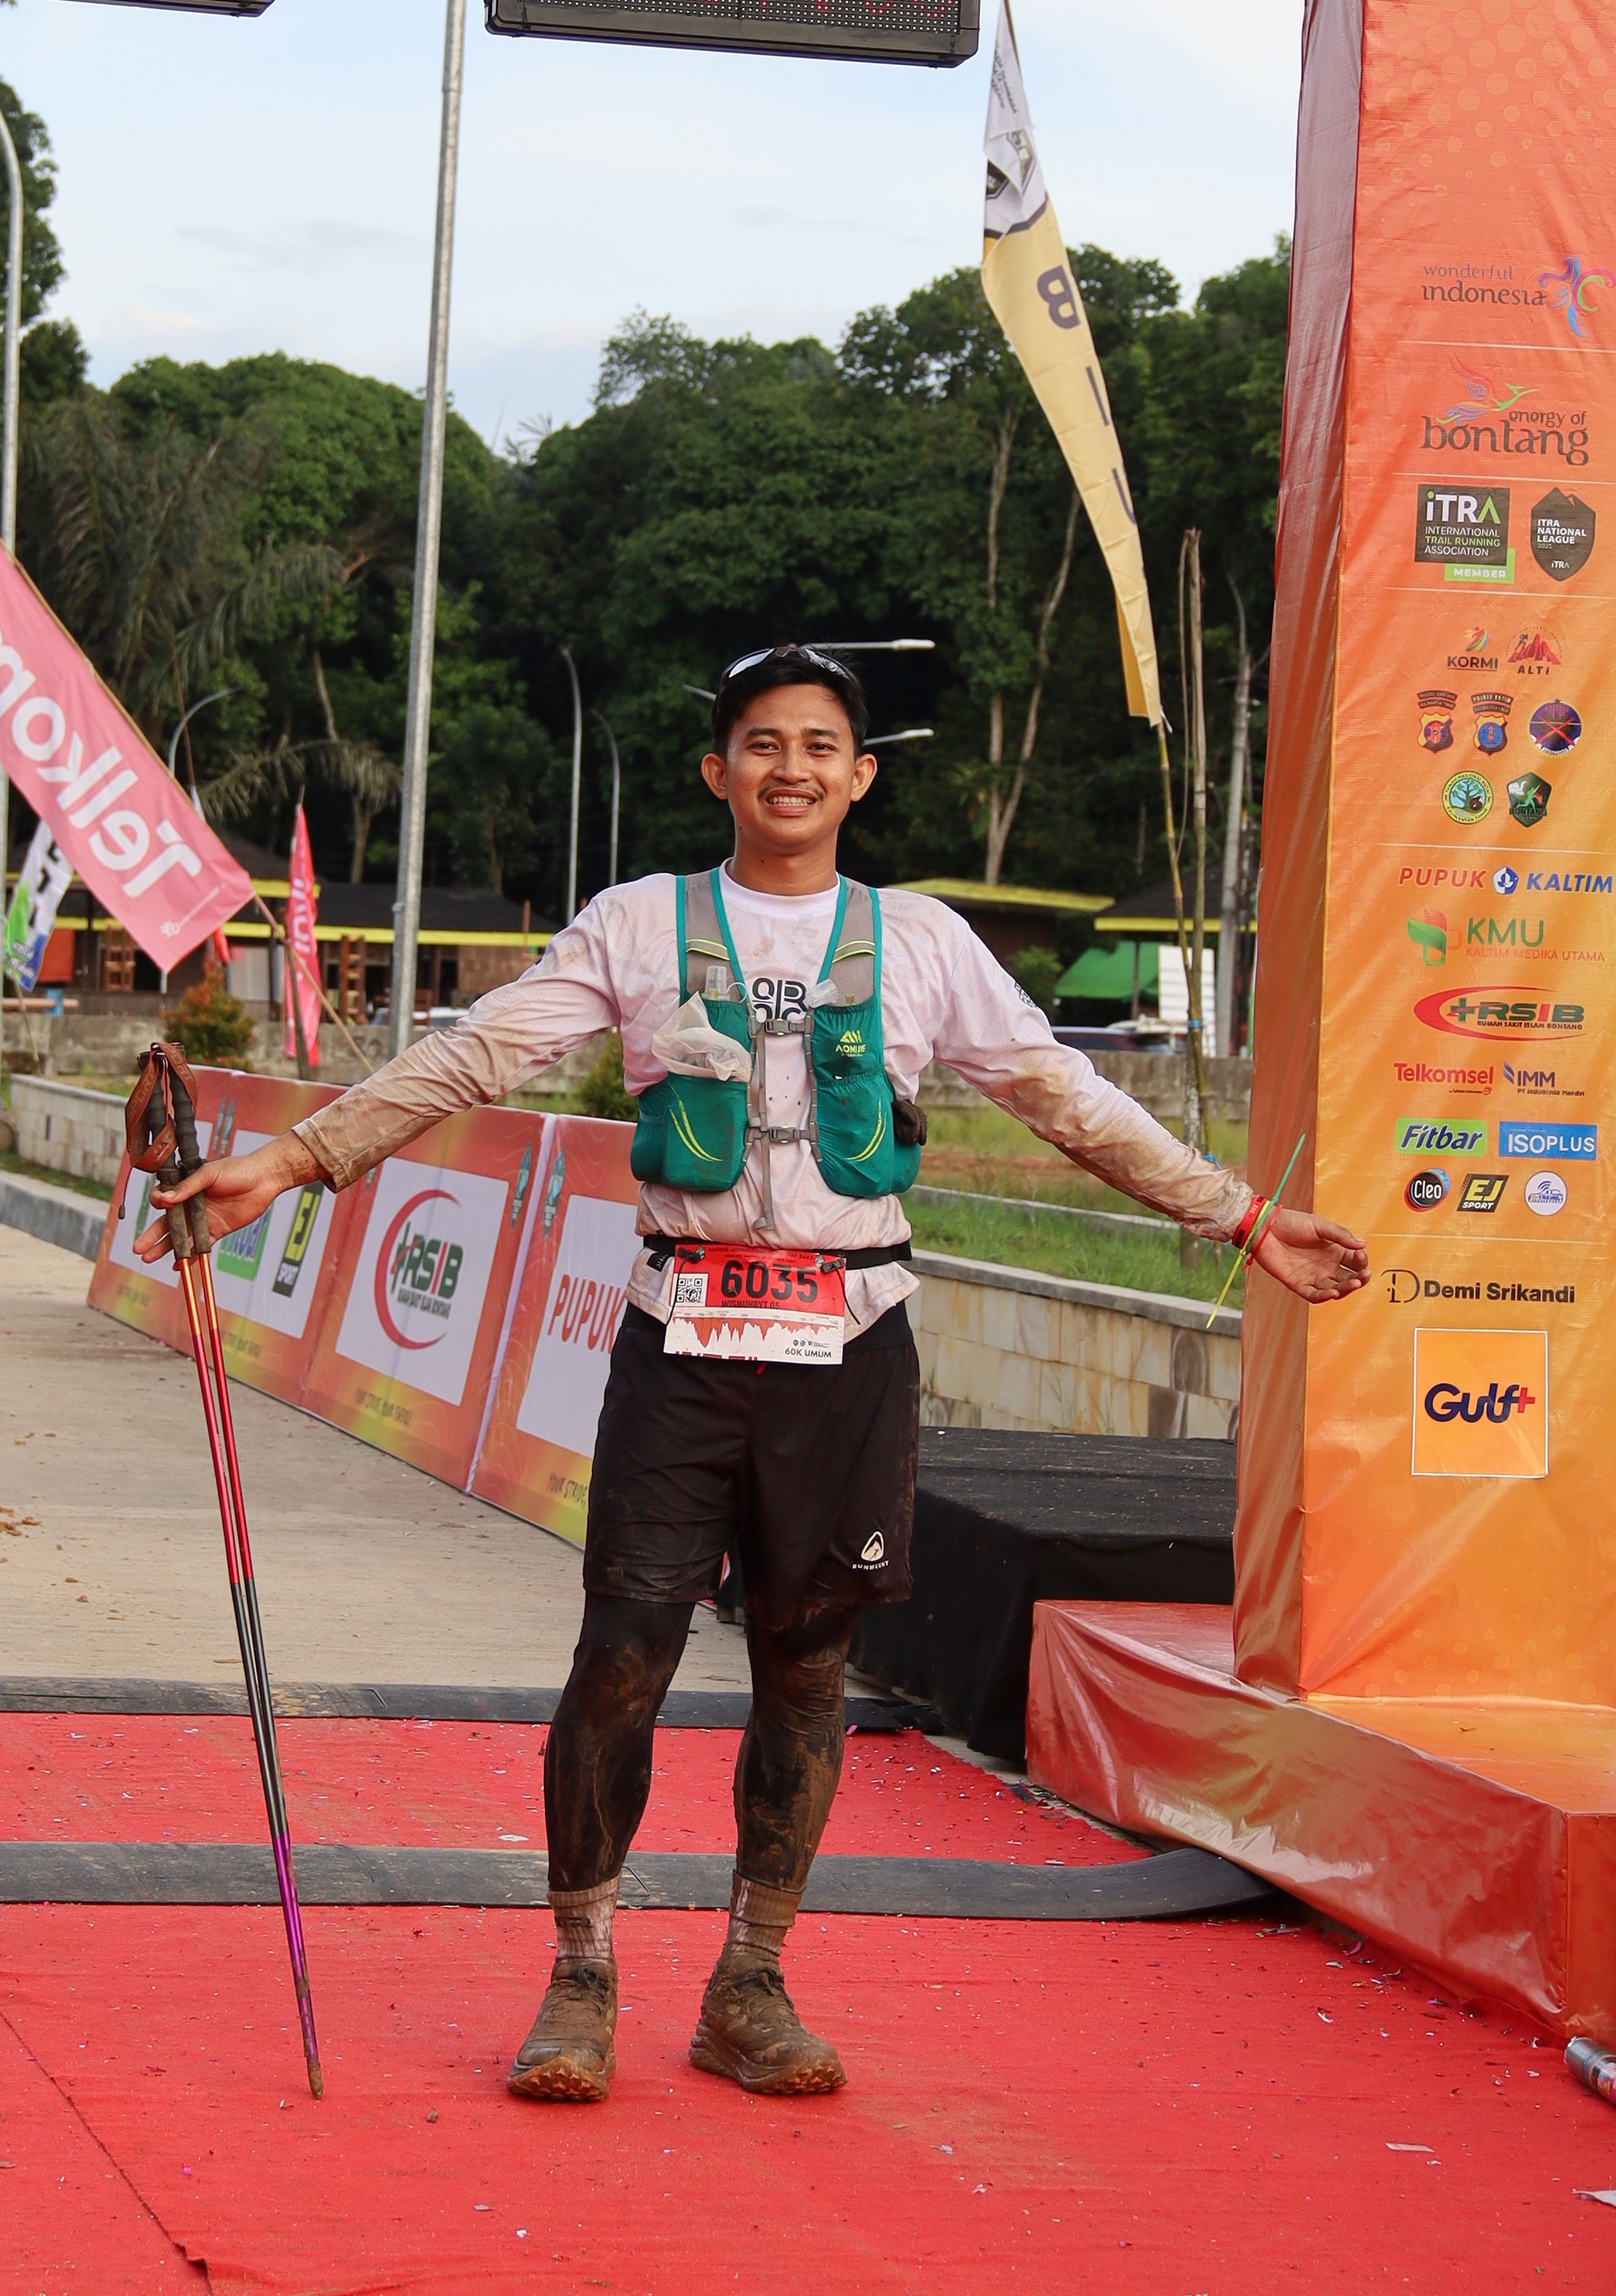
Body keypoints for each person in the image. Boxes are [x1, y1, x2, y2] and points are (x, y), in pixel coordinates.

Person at [139, 645, 1369, 2104]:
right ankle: (581, 1975)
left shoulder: (921, 942)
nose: (792, 768)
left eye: (821, 745)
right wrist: (293, 1160)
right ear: (717, 770)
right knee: (624, 1652)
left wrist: (1238, 1216)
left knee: (808, 1667)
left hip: (849, 1349)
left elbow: (1064, 1097)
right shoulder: (635, 924)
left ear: (862, 776)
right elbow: (475, 1057)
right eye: (764, 743)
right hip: (683, 1342)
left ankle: (751, 1982)